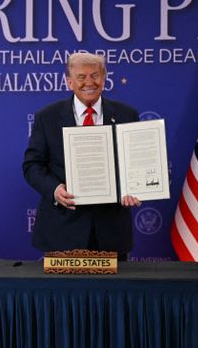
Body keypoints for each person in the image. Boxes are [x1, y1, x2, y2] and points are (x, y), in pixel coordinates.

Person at [23, 52, 141, 259]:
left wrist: (136, 187)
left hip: (111, 230)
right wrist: (55, 189)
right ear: (69, 82)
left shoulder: (127, 115)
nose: (89, 82)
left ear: (104, 78)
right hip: (62, 229)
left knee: (112, 283)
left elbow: (136, 163)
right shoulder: (46, 117)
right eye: (81, 77)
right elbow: (32, 166)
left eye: (95, 75)